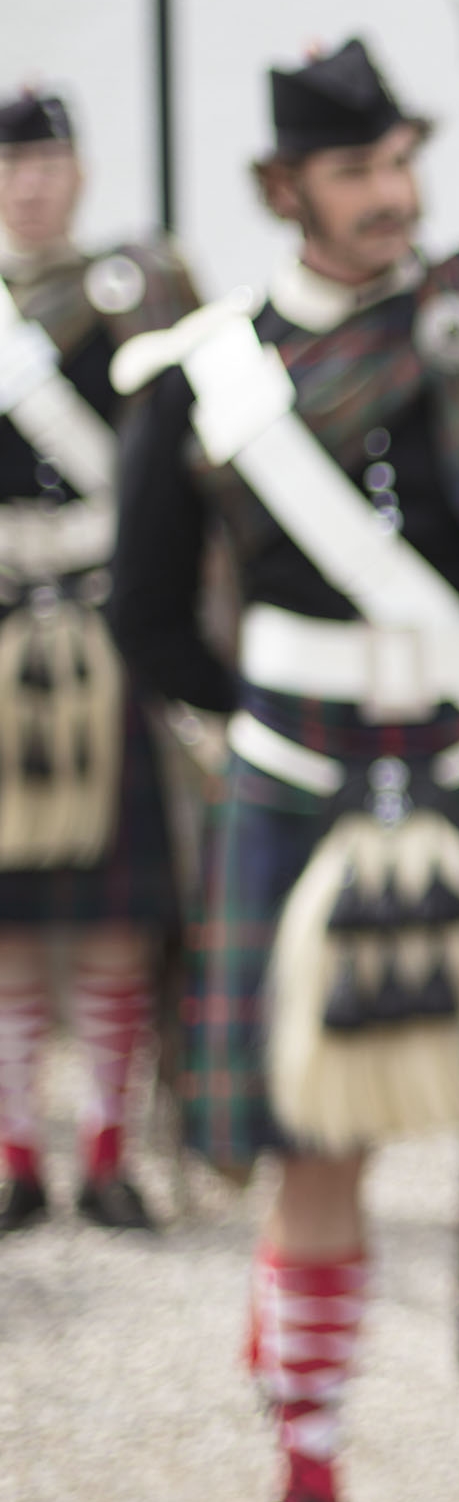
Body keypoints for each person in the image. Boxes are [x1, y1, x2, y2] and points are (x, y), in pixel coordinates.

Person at [107, 37, 459, 1502]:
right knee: (306, 1144)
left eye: (403, 163)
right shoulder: (205, 376)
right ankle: (307, 1490)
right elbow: (148, 619)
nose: (392, 198)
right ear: (283, 193)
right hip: (301, 773)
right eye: (355, 172)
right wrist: (278, 716)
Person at [0, 89, 192, 1228]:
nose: (31, 183)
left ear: (79, 173)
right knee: (10, 913)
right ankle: (19, 1154)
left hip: (106, 625)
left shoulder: (135, 302)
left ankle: (111, 1153)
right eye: (14, 166)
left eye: (49, 161)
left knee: (117, 913)